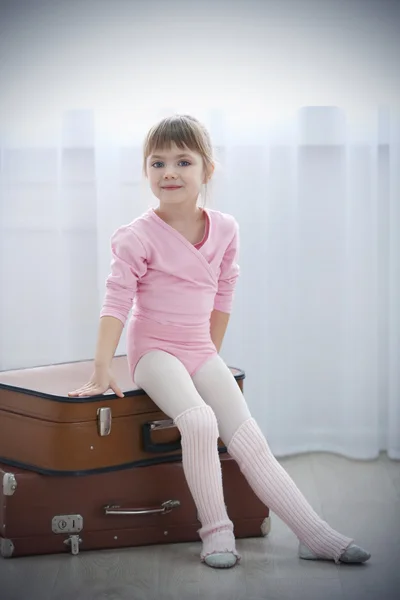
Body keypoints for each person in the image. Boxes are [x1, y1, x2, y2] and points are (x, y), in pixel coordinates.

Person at [68, 114, 371, 569]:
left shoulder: (225, 229)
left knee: (248, 437)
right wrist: (100, 369)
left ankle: (314, 534)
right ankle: (216, 530)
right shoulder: (137, 236)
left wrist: (211, 359)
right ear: (146, 171)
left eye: (183, 161)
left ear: (207, 170)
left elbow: (224, 293)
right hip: (154, 351)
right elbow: (115, 302)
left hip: (199, 349)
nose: (169, 171)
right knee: (199, 421)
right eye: (157, 162)